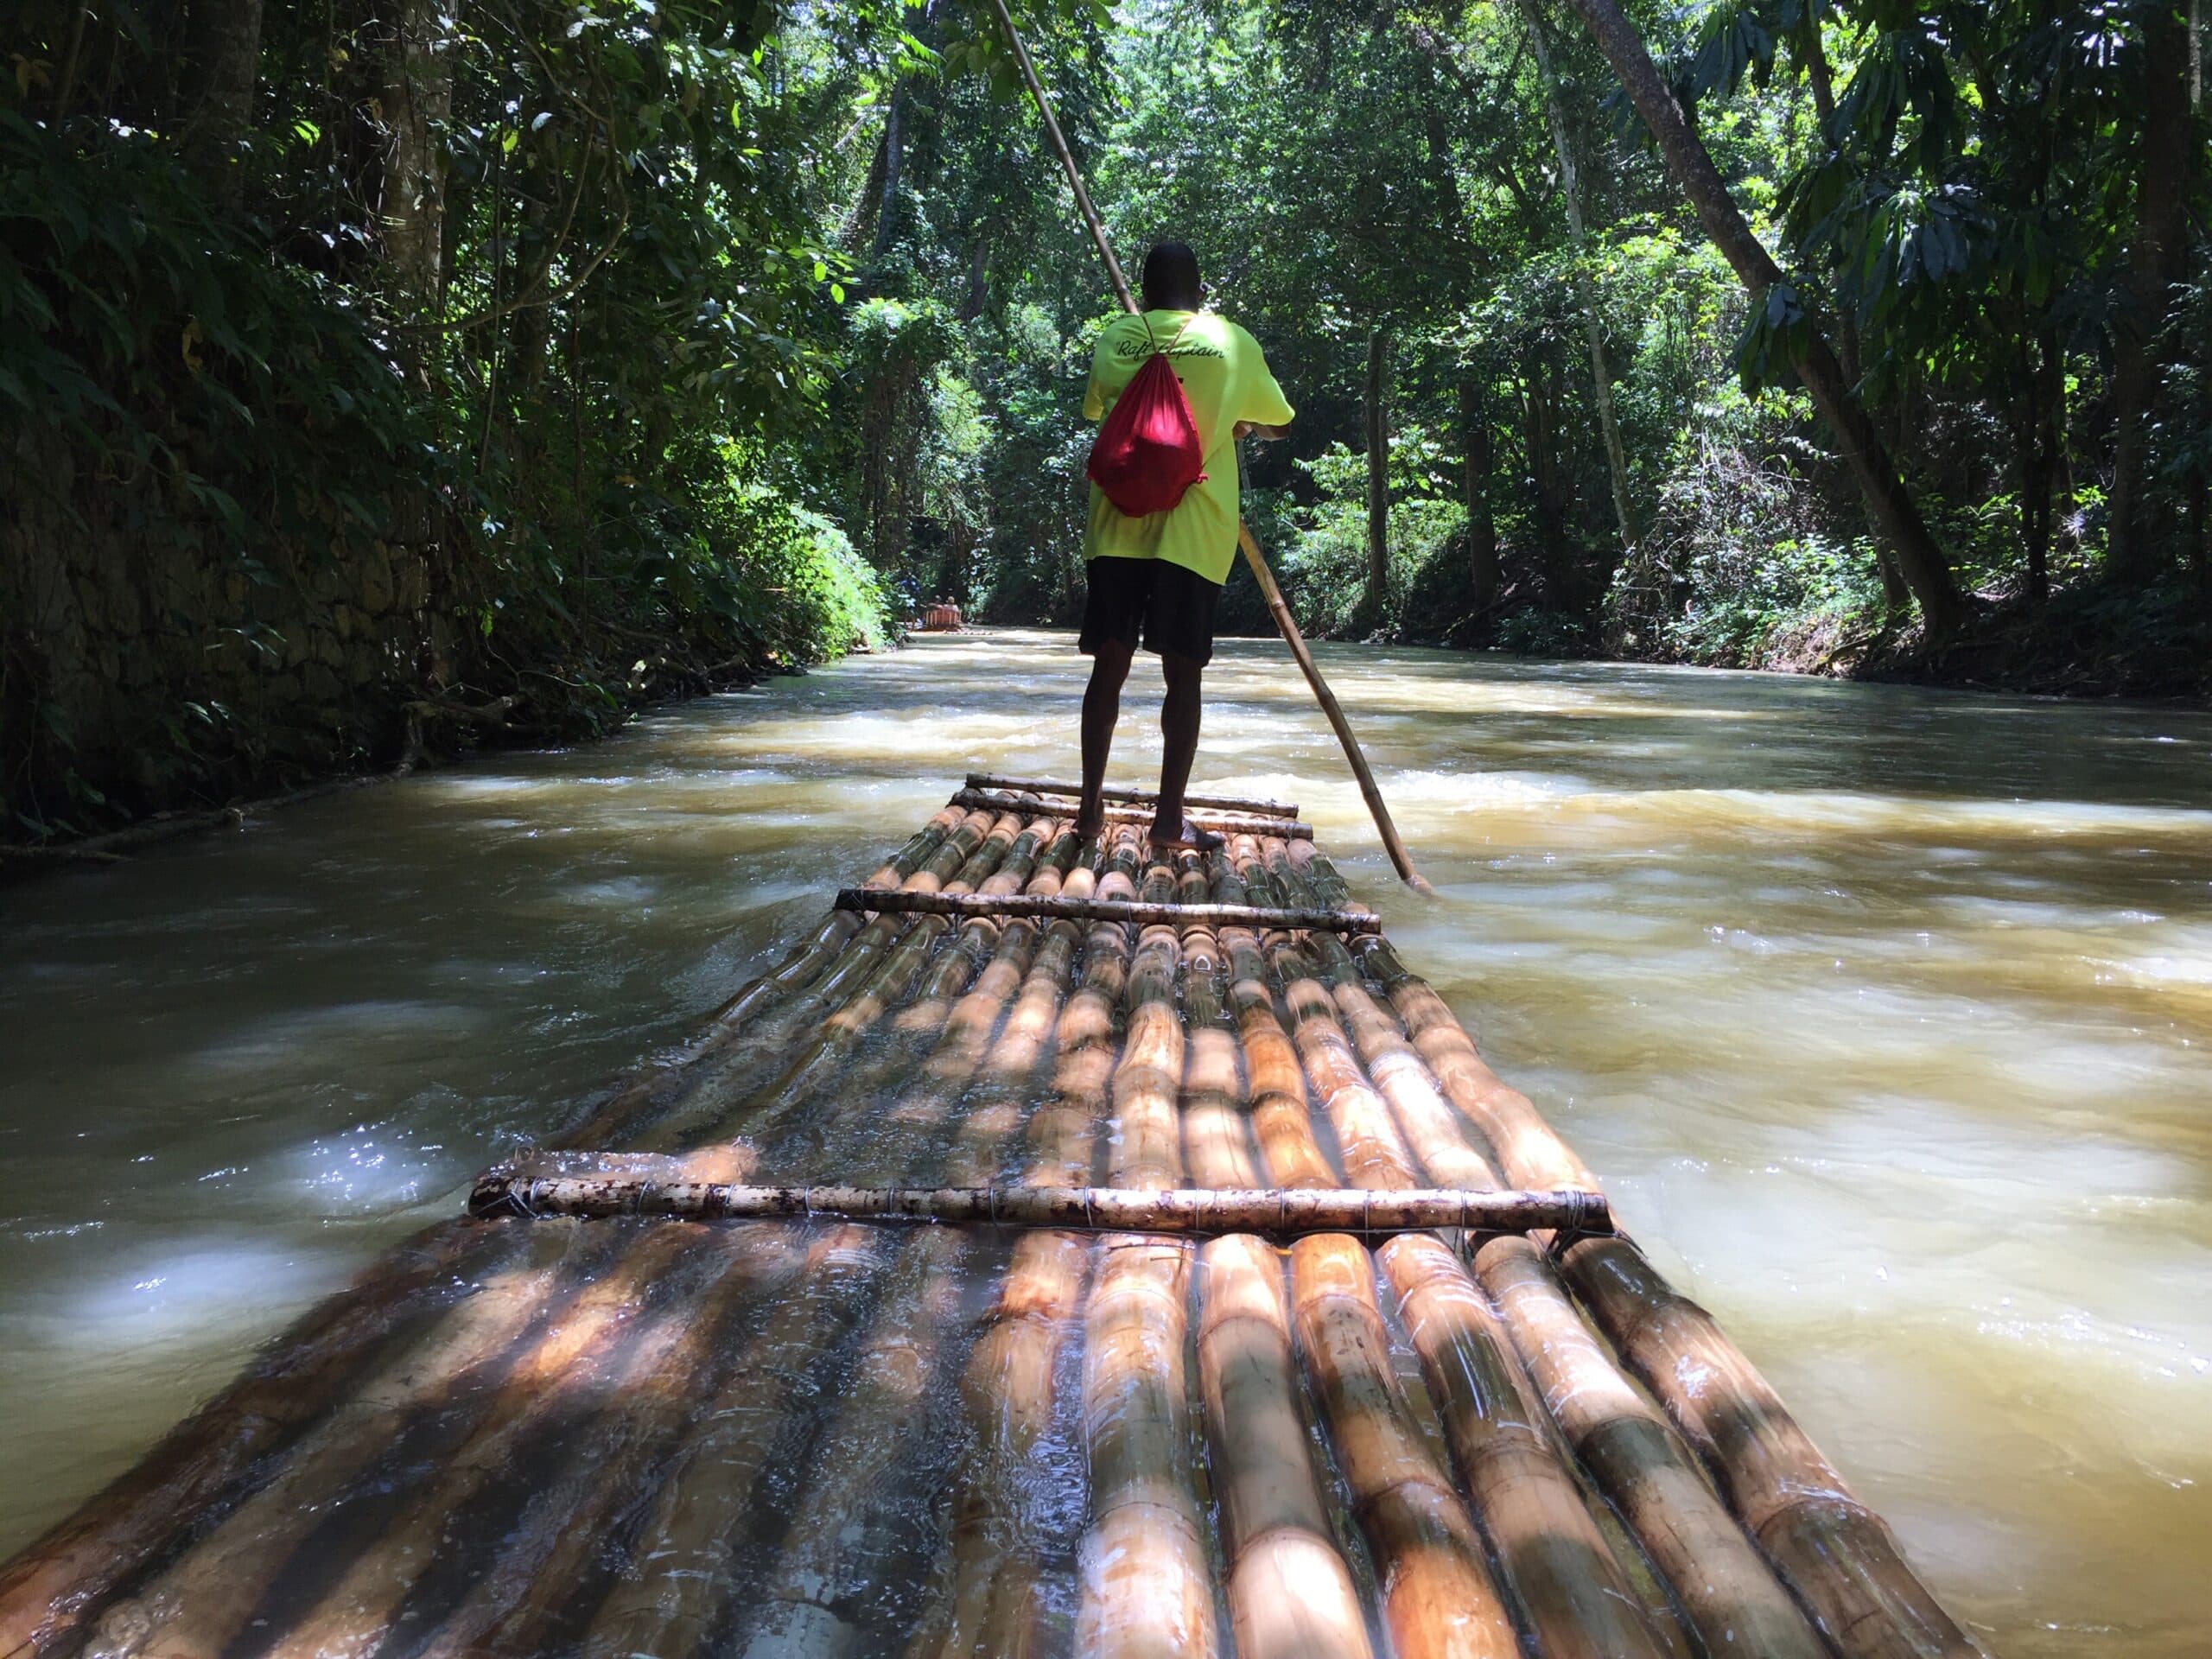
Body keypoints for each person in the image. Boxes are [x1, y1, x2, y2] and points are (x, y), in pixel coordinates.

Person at [1075, 241, 1294, 849]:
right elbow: (1280, 423)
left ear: (1144, 292)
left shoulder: (1118, 337)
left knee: (1108, 665)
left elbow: (1098, 407)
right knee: (1184, 674)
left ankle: (1089, 813)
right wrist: (1239, 422)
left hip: (1116, 523)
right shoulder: (1231, 342)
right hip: (1194, 529)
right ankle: (1169, 822)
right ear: (1201, 292)